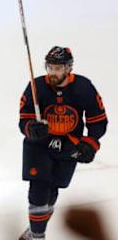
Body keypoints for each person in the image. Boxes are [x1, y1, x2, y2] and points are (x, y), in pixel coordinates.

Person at [18, 46, 108, 240]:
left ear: (68, 68)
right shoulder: (36, 86)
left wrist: (90, 143)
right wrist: (31, 128)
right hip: (39, 146)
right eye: (49, 67)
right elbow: (24, 118)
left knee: (52, 190)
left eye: (57, 68)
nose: (52, 73)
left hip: (69, 147)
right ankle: (37, 235)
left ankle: (33, 232)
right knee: (39, 189)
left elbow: (98, 120)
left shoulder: (83, 87)